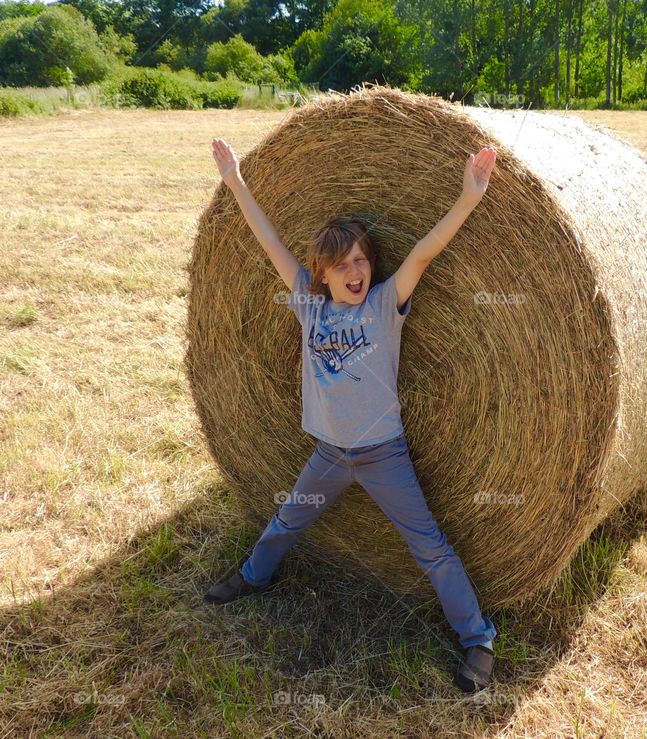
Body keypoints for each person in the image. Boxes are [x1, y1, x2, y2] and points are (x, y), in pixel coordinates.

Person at [202, 136, 498, 693]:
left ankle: (478, 638)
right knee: (289, 518)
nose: (354, 271)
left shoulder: (386, 305)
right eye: (341, 265)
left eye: (360, 260)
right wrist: (235, 180)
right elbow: (268, 241)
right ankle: (252, 577)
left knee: (429, 547)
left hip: (383, 455)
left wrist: (468, 197)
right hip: (329, 455)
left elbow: (424, 253)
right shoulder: (307, 306)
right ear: (323, 274)